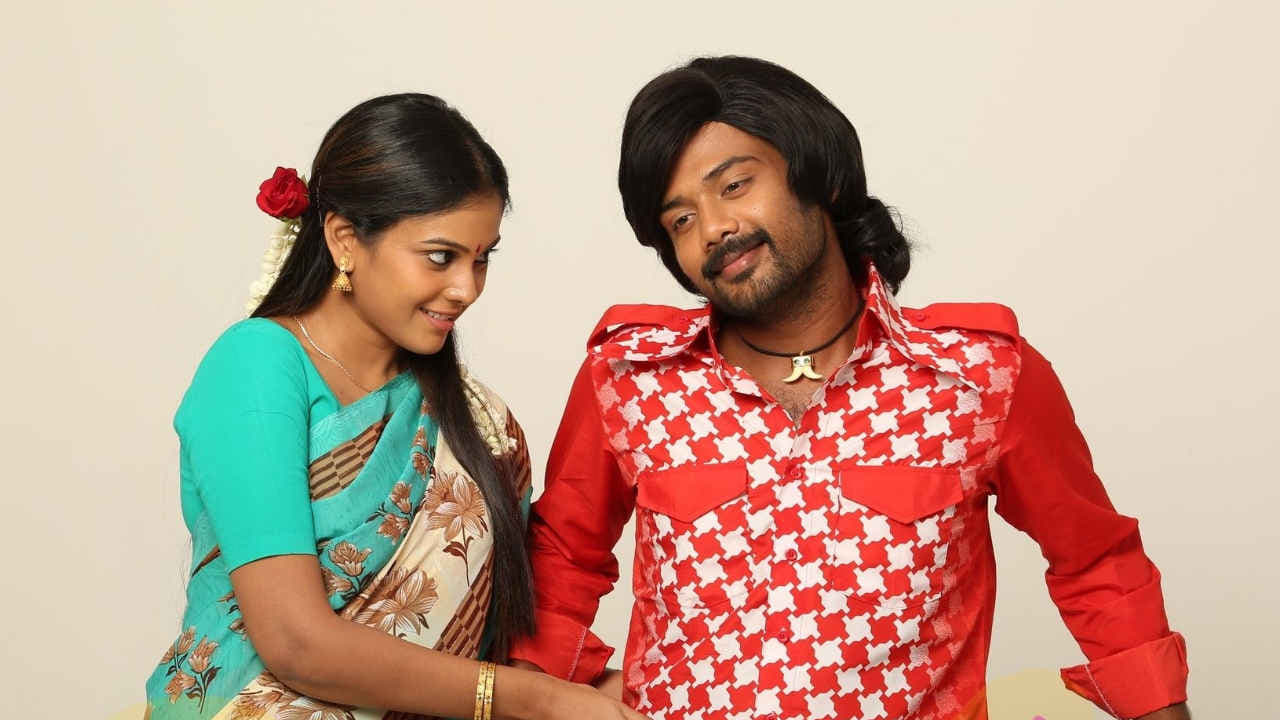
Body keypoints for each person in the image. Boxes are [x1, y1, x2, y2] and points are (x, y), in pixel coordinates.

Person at [509, 57, 1191, 720]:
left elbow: (1096, 565)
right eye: (680, 220)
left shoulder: (978, 378)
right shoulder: (629, 380)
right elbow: (561, 563)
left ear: (821, 176)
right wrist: (560, 695)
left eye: (735, 185)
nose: (714, 228)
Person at [144, 93, 644, 720]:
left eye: (482, 258)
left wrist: (616, 688)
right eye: (440, 257)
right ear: (345, 240)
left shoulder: (476, 418)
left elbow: (491, 638)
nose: (465, 288)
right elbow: (296, 642)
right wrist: (535, 699)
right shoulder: (258, 364)